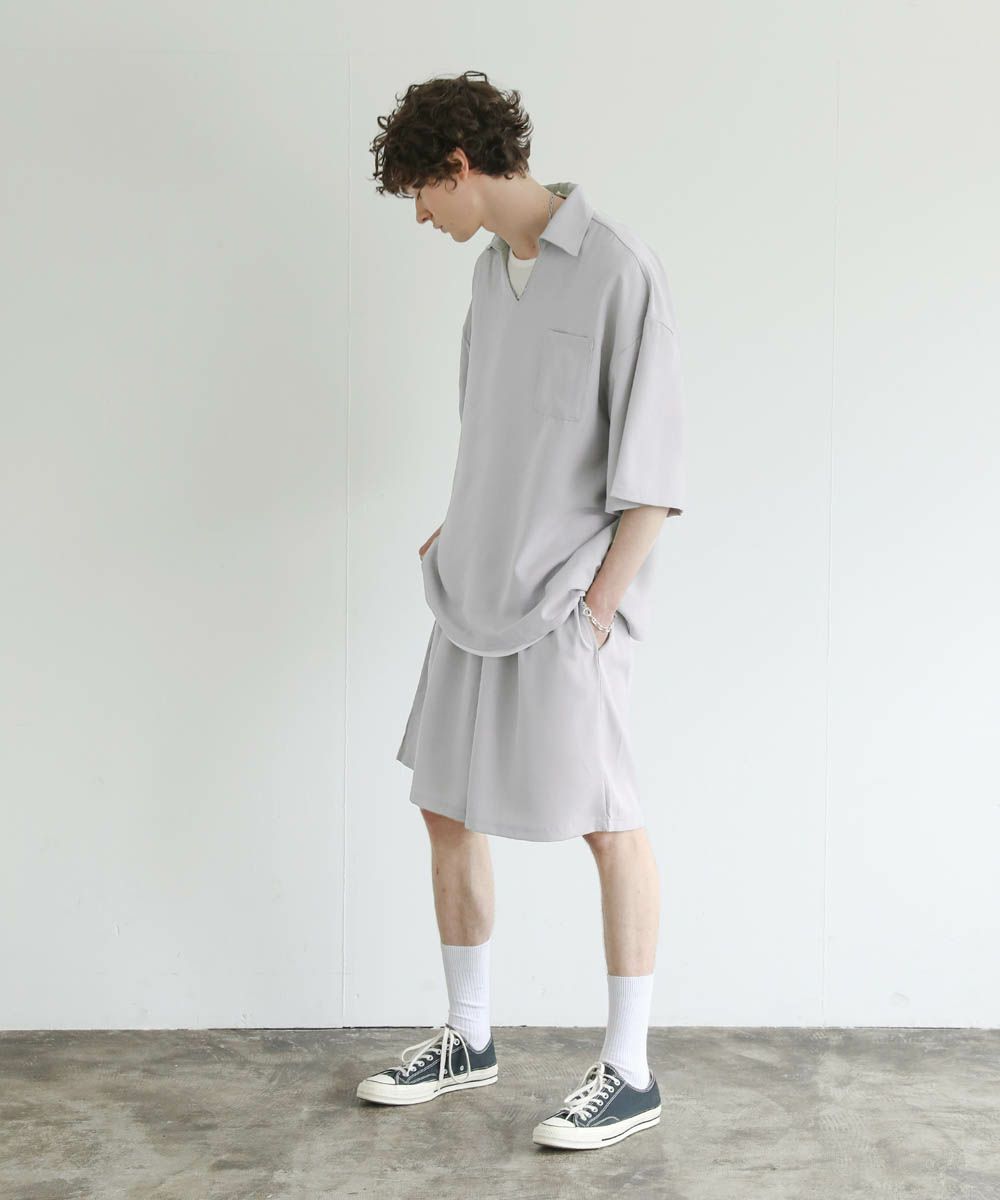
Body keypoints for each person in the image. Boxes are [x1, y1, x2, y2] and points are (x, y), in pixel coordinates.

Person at [357, 70, 685, 1151]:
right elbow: (495, 430)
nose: (420, 215)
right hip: (471, 591)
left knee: (608, 821)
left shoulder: (620, 269)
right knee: (444, 806)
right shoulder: (491, 274)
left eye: (420, 191)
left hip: (564, 605)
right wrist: (458, 526)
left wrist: (598, 608)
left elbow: (652, 474)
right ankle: (468, 1036)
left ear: (459, 167)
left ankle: (629, 1070)